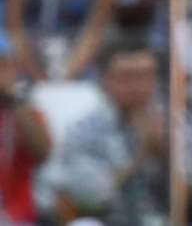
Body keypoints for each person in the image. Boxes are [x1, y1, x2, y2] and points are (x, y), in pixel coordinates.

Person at [50, 37, 167, 226]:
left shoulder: (174, 121)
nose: (137, 86)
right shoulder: (85, 128)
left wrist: (165, 152)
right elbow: (91, 197)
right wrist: (142, 154)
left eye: (145, 75)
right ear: (105, 80)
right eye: (127, 76)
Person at [0, 44, 51, 224]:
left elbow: (42, 152)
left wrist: (12, 99)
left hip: (16, 216)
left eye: (3, 66)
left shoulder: (26, 111)